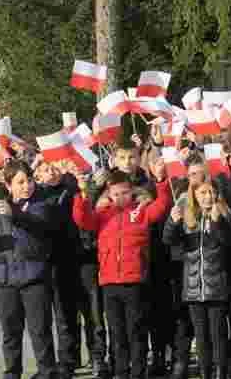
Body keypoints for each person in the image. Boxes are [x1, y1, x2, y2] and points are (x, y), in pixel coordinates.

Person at [73, 160, 171, 379]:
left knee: (136, 331)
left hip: (134, 281)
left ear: (132, 191)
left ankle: (138, 372)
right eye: (115, 194)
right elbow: (81, 219)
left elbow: (162, 206)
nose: (120, 197)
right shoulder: (102, 214)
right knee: (117, 333)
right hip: (109, 283)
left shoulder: (141, 211)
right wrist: (83, 194)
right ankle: (121, 371)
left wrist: (161, 180)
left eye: (125, 193)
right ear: (109, 194)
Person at [0, 160, 58, 379]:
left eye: (29, 180)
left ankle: (47, 373)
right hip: (6, 280)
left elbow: (39, 225)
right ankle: (12, 373)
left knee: (40, 332)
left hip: (34, 278)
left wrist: (14, 214)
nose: (27, 186)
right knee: (10, 334)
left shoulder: (41, 204)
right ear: (9, 185)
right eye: (20, 182)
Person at [164, 179, 231, 379]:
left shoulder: (224, 213)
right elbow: (168, 240)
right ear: (194, 195)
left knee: (218, 334)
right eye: (203, 192)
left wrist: (216, 222)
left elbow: (227, 241)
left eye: (211, 192)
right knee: (201, 335)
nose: (208, 196)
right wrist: (172, 222)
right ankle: (205, 373)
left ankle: (221, 373)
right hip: (193, 287)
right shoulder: (188, 216)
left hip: (216, 285)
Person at [34, 159, 83, 379]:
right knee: (41, 319)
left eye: (54, 168)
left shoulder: (69, 189)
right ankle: (46, 364)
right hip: (43, 262)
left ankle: (68, 361)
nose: (51, 172)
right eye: (46, 170)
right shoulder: (36, 195)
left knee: (65, 315)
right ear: (38, 175)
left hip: (67, 259)